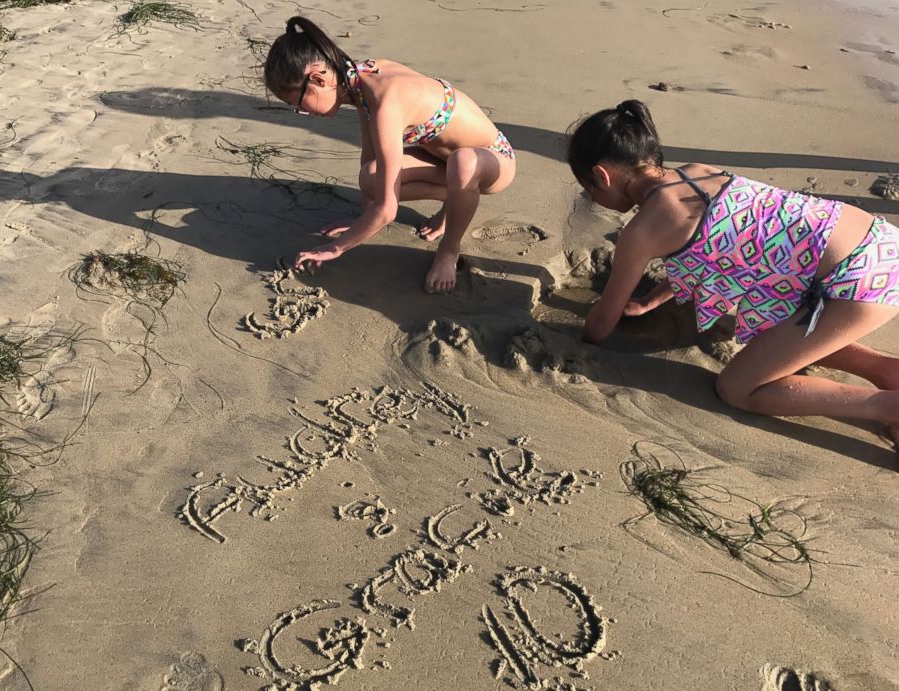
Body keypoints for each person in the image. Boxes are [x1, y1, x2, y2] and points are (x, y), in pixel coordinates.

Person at [565, 99, 899, 449]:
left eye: (588, 188)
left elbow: (605, 316)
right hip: (878, 243)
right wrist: (652, 300)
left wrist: (580, 343)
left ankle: (887, 407)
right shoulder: (700, 172)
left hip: (859, 284)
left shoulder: (643, 230)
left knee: (737, 388)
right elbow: (714, 251)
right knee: (766, 318)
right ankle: (886, 371)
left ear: (601, 176)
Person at [264, 17, 516, 293]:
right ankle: (455, 200)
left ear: (318, 79)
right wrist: (362, 220)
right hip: (447, 161)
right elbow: (370, 160)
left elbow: (388, 209)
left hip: (494, 160)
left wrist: (336, 248)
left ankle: (448, 250)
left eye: (298, 104)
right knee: (370, 177)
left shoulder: (386, 102)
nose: (303, 113)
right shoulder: (360, 78)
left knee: (463, 162)